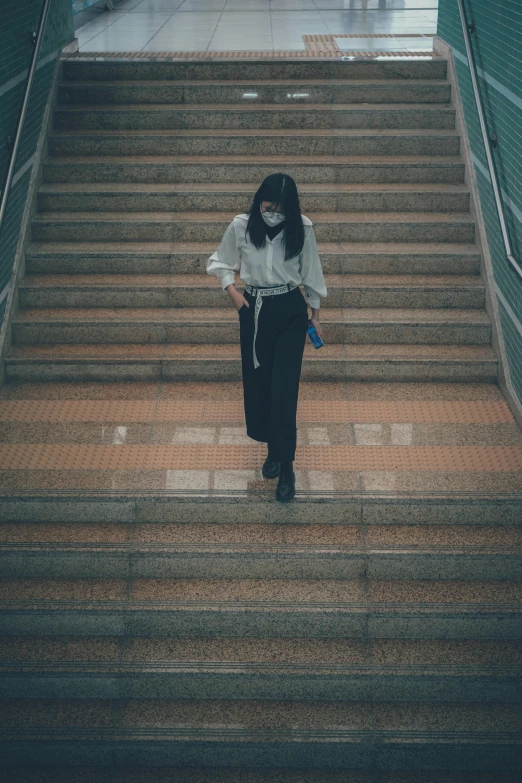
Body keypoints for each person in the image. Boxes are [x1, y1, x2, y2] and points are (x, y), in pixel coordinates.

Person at [207, 173, 327, 502]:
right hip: (255, 309)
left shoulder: (301, 228)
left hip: (290, 309)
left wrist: (315, 316)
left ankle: (286, 466)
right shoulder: (242, 225)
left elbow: (311, 271)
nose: (272, 210)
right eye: (267, 203)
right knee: (260, 385)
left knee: (285, 389)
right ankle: (273, 449)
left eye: (279, 206)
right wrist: (231, 291)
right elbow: (219, 260)